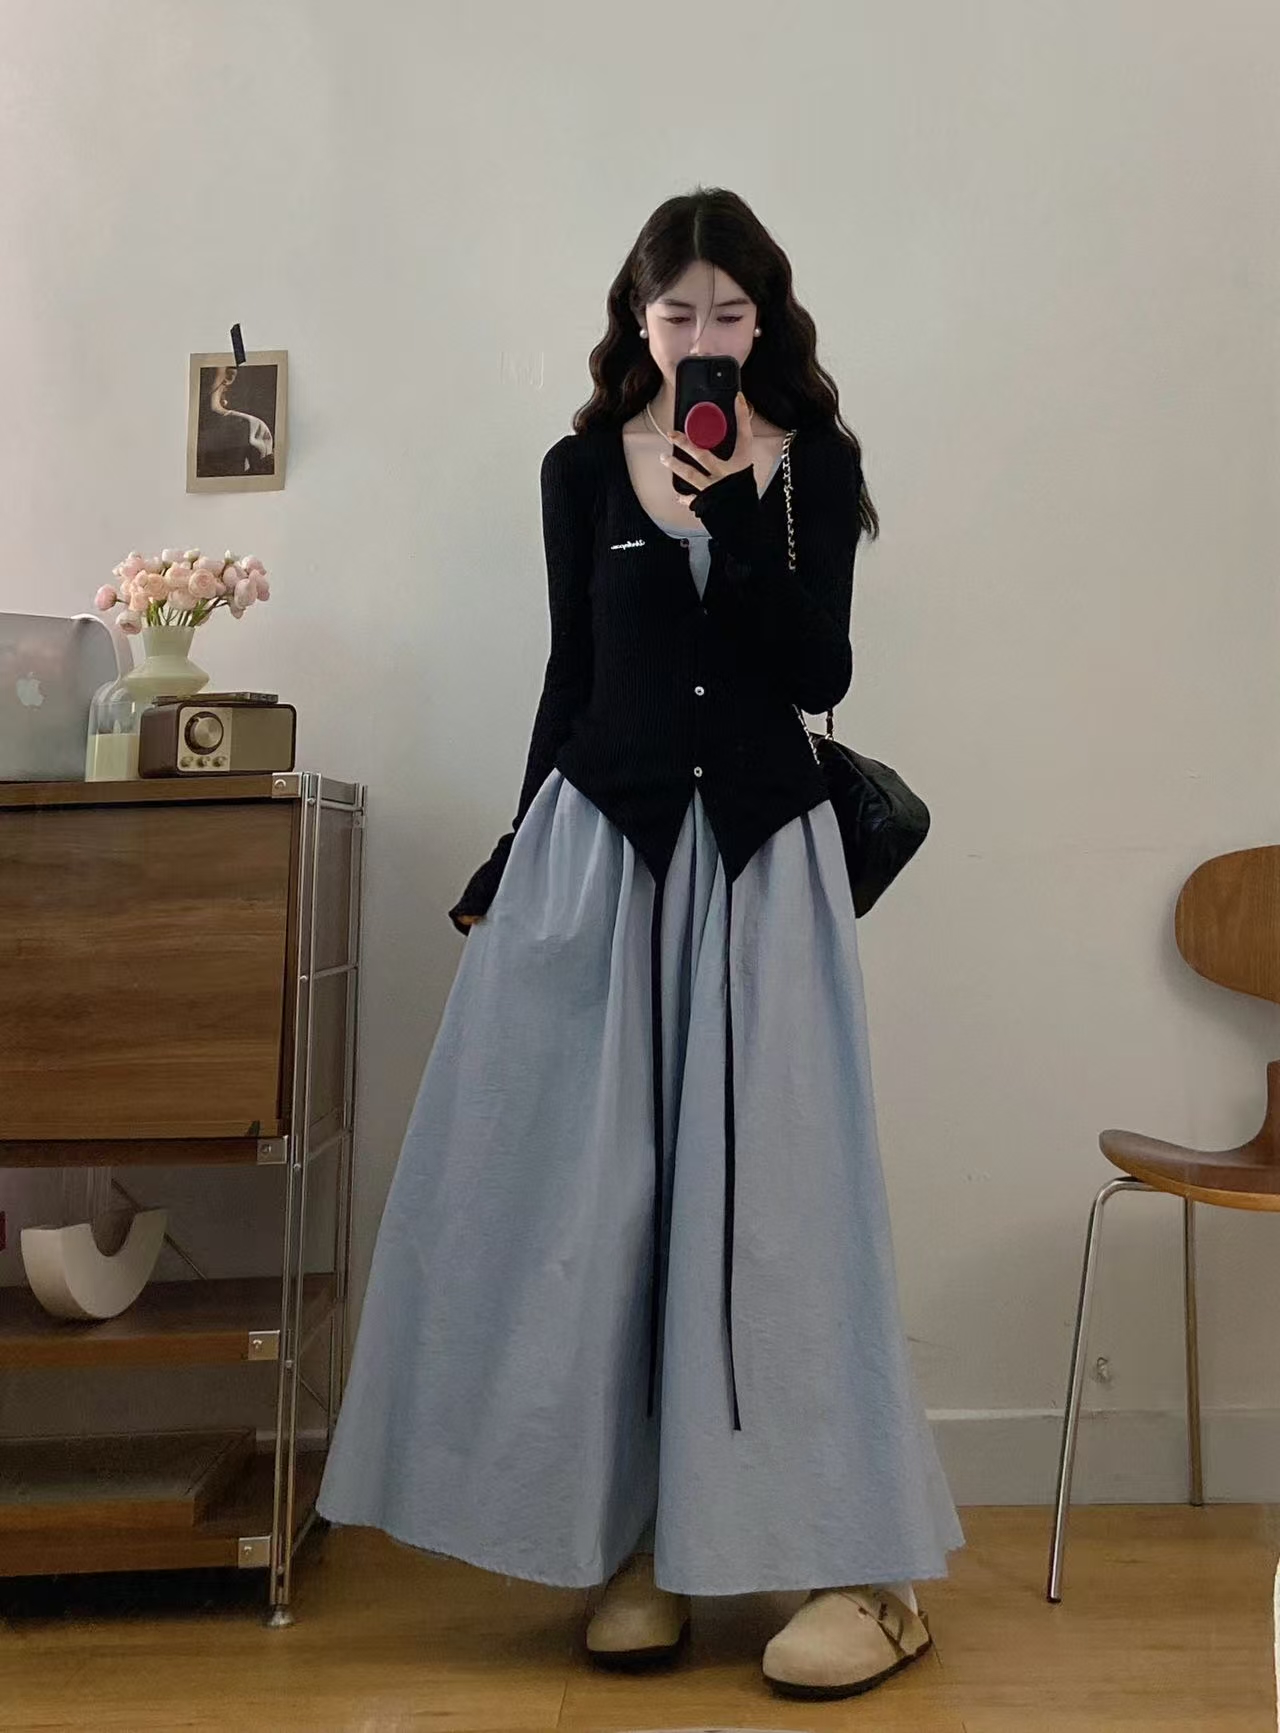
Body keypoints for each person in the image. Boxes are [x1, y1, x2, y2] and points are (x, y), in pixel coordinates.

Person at [316, 186, 963, 1702]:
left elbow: (821, 667)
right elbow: (574, 673)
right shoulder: (577, 469)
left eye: (729, 312)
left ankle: (864, 1566)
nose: (701, 337)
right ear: (637, 317)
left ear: (766, 317)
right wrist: (508, 852)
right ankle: (637, 1541)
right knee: (596, 1203)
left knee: (783, 1207)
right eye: (676, 313)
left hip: (762, 863)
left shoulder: (812, 465)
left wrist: (732, 512)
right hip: (603, 857)